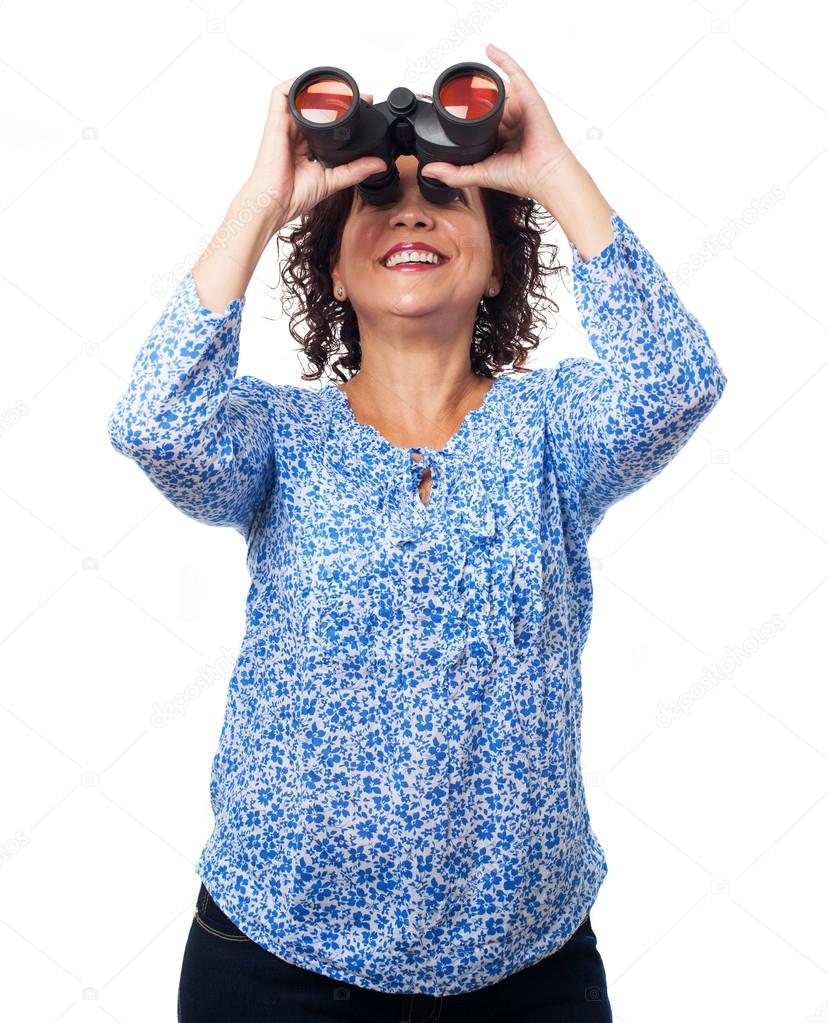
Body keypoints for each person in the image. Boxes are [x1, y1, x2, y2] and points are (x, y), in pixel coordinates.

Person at [107, 43, 727, 1023]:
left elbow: (674, 383)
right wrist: (264, 203)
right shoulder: (277, 437)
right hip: (277, 961)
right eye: (377, 200)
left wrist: (553, 171)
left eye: (446, 194)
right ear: (334, 275)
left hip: (525, 971)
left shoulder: (554, 432)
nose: (410, 212)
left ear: (497, 267)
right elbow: (156, 425)